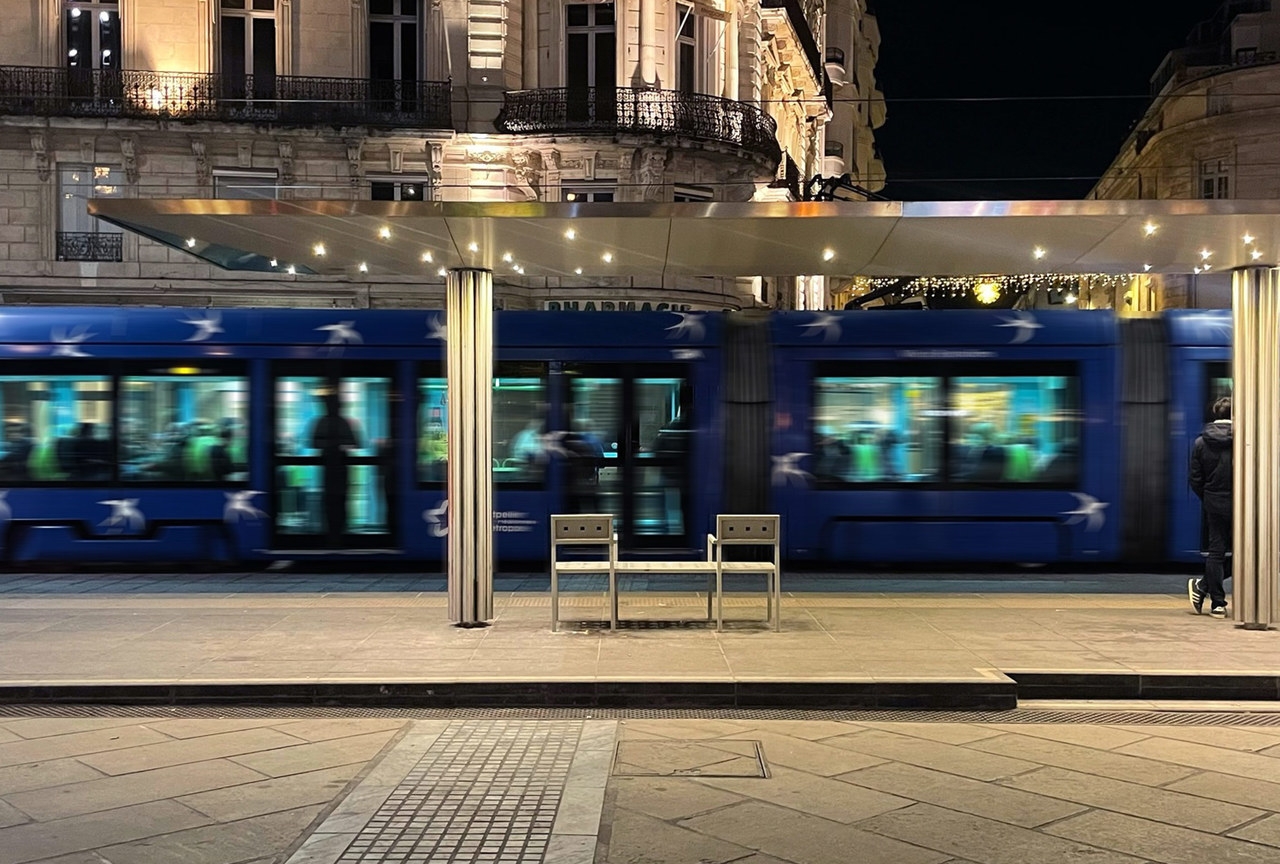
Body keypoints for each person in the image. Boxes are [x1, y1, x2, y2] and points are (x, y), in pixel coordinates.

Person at [1189, 396, 1233, 618]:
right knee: (1246, 552)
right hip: (1242, 504)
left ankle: (1216, 602)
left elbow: (1195, 479)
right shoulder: (1244, 439)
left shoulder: (1200, 442)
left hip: (1214, 502)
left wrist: (1208, 497)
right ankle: (1203, 587)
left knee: (1216, 551)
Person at [309, 387, 360, 543]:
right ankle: (334, 531)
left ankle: (337, 532)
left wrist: (331, 444)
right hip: (333, 467)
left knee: (338, 500)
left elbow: (354, 443)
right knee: (333, 501)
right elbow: (315, 442)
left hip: (336, 467)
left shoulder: (325, 422)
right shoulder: (335, 422)